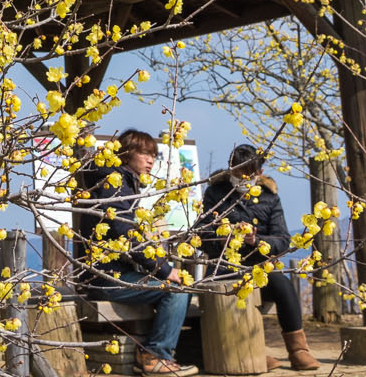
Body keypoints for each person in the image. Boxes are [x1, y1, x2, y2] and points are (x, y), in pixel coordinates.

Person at [78, 129, 198, 377]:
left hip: (109, 273)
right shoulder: (115, 182)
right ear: (126, 154)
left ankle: (153, 355)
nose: (151, 160)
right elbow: (127, 236)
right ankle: (154, 356)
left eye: (153, 154)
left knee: (174, 287)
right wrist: (166, 270)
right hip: (105, 276)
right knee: (175, 292)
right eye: (144, 153)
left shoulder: (121, 181)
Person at [194, 144, 318, 372]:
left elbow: (282, 239)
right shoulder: (216, 193)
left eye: (248, 174)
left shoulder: (269, 197)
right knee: (224, 294)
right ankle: (253, 352)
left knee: (283, 285)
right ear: (230, 170)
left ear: (259, 174)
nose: (242, 179)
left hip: (259, 266)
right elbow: (200, 234)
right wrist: (222, 237)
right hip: (223, 265)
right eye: (237, 173)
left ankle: (298, 350)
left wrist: (256, 240)